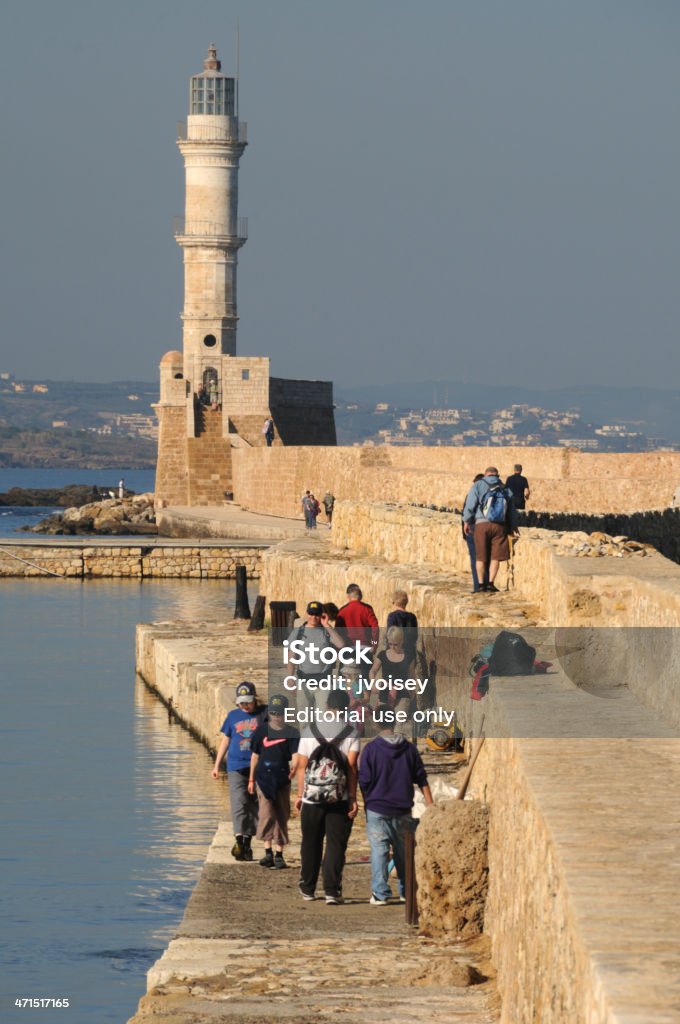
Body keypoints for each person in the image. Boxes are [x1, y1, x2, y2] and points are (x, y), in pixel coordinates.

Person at [359, 712, 433, 905]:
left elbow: (364, 780)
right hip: (402, 809)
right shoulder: (409, 749)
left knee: (379, 851)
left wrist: (368, 801)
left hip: (377, 808)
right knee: (403, 852)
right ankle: (406, 891)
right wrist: (431, 805)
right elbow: (422, 778)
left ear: (376, 723)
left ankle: (380, 893)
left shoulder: (371, 749)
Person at [296, 688, 360, 904]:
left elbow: (301, 766)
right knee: (335, 844)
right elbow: (351, 766)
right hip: (338, 798)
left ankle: (308, 888)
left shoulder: (308, 730)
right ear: (346, 707)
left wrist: (299, 795)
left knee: (310, 843)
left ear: (326, 706)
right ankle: (332, 891)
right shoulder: (351, 732)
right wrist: (353, 797)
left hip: (311, 798)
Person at [211, 681, 268, 861]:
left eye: (248, 702)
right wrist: (216, 765)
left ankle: (247, 841)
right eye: (242, 702)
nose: (245, 705)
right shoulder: (233, 716)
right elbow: (226, 741)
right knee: (239, 803)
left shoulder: (264, 713)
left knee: (254, 805)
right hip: (236, 765)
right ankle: (239, 839)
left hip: (258, 766)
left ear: (255, 699)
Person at [248, 694, 300, 869]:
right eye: (274, 713)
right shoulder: (261, 731)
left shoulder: (292, 733)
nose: (277, 717)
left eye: (280, 713)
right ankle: (267, 851)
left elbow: (295, 755)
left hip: (282, 780)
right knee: (266, 814)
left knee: (281, 816)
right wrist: (251, 779)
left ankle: (279, 853)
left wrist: (295, 767)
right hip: (263, 779)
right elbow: (255, 756)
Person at [463, 466, 518, 594]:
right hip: (500, 526)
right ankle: (491, 584)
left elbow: (470, 504)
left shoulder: (478, 485)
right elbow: (511, 510)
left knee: (480, 557)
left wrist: (467, 520)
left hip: (481, 524)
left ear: (486, 474)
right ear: (497, 475)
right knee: (495, 557)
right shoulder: (505, 487)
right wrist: (513, 525)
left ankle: (481, 585)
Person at [287, 601, 346, 715]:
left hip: (324, 683)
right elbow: (291, 657)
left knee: (323, 717)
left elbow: (341, 644)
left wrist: (327, 625)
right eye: (311, 613)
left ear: (322, 615)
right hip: (303, 682)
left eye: (317, 614)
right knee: (304, 719)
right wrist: (290, 678)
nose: (313, 617)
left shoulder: (327, 632)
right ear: (307, 613)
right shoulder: (298, 632)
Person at [369, 626, 415, 737]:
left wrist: (412, 692)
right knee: (384, 726)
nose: (393, 647)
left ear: (402, 641)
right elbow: (373, 671)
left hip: (402, 693)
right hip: (385, 693)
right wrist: (373, 683)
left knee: (399, 726)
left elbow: (411, 676)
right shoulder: (383, 655)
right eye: (390, 644)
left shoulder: (409, 656)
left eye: (396, 644)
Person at [335, 584, 379, 655]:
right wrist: (375, 645)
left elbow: (337, 632)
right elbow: (375, 628)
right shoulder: (367, 609)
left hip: (348, 648)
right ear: (360, 596)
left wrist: (338, 650)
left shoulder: (342, 611)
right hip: (365, 648)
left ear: (348, 596)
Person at [462, 474, 485, 593]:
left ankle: (478, 586)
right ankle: (487, 584)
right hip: (488, 529)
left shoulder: (472, 494)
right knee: (486, 558)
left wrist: (465, 531)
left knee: (476, 559)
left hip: (473, 530)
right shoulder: (490, 494)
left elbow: (467, 511)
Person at [386, 591, 418, 663]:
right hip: (410, 651)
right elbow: (415, 636)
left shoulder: (392, 616)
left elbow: (389, 635)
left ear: (394, 602)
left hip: (396, 651)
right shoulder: (412, 617)